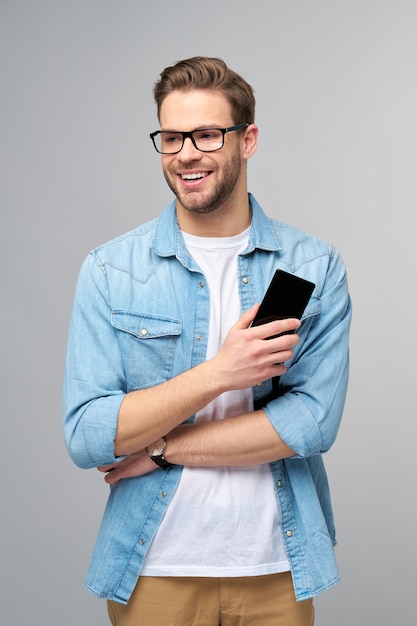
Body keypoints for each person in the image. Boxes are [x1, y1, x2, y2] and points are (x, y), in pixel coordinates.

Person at [63, 56, 351, 626]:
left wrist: (162, 449)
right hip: (153, 571)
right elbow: (88, 434)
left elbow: (311, 424)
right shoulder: (110, 270)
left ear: (248, 140)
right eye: (171, 137)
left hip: (276, 568)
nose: (185, 153)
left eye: (206, 134)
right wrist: (220, 373)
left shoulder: (312, 266)